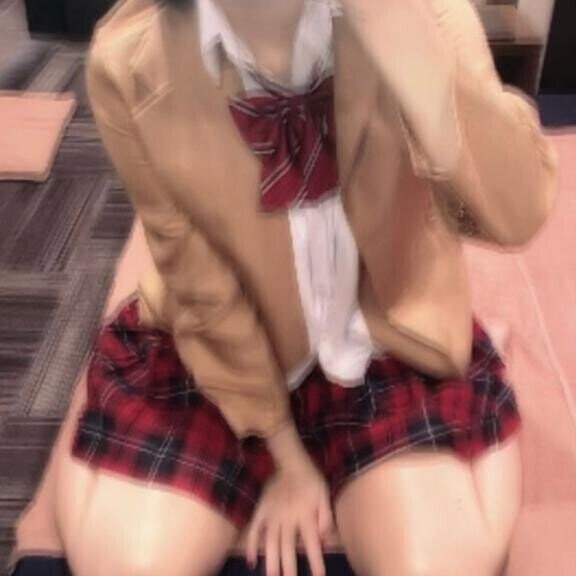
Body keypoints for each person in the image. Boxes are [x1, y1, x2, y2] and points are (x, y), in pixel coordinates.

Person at [10, 0, 558, 575]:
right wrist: (286, 455)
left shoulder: (427, 13)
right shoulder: (131, 59)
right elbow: (200, 282)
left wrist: (415, 60)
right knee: (124, 565)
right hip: (223, 349)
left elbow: (514, 213)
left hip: (383, 332)